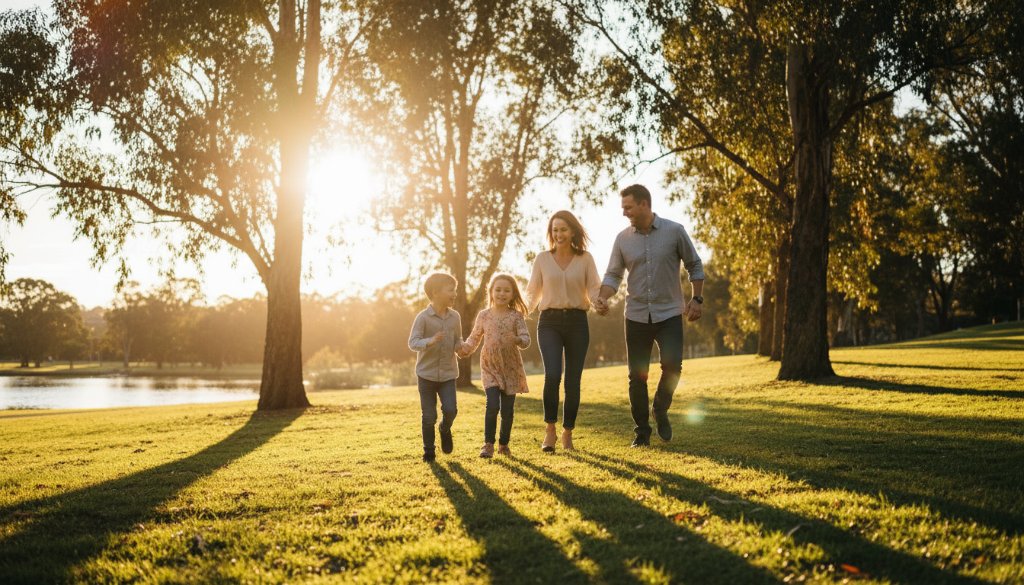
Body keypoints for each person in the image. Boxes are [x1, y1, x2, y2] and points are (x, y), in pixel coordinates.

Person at [594, 184, 704, 448]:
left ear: (644, 204)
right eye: (623, 208)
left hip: (669, 313)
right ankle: (642, 432)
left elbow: (694, 264)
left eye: (628, 207)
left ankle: (661, 408)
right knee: (637, 376)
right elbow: (613, 275)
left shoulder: (674, 231)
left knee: (673, 367)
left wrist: (697, 298)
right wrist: (603, 296)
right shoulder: (622, 239)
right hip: (636, 315)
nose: (624, 213)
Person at [525, 210, 600, 452]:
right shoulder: (542, 259)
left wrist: (600, 302)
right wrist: (517, 313)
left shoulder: (585, 258)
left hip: (578, 322)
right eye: (555, 230)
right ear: (551, 233)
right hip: (549, 322)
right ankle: (550, 430)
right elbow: (532, 292)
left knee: (573, 381)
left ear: (573, 231)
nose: (559, 234)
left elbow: (595, 288)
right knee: (553, 375)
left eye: (563, 229)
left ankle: (568, 432)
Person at [458, 274, 531, 458]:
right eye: (498, 290)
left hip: (511, 368)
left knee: (507, 411)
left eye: (507, 290)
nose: (501, 293)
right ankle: (488, 444)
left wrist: (517, 339)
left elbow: (526, 339)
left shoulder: (516, 316)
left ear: (513, 294)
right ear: (491, 292)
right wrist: (464, 349)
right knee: (492, 405)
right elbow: (474, 337)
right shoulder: (484, 315)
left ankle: (503, 444)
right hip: (490, 366)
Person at [408, 272, 466, 463]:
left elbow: (458, 339)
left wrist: (461, 348)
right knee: (428, 416)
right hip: (426, 375)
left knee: (451, 410)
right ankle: (429, 452)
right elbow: (413, 342)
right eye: (451, 290)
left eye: (455, 290)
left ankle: (445, 428)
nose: (455, 294)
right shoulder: (423, 318)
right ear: (435, 293)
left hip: (448, 374)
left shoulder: (455, 317)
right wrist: (430, 341)